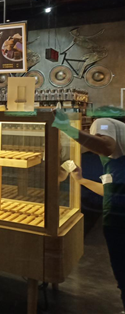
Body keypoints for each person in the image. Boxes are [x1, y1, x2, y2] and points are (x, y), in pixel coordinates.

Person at [53, 110, 125, 308]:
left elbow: (104, 145)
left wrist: (65, 127)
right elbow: (109, 191)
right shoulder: (116, 158)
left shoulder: (103, 122)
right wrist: (82, 180)